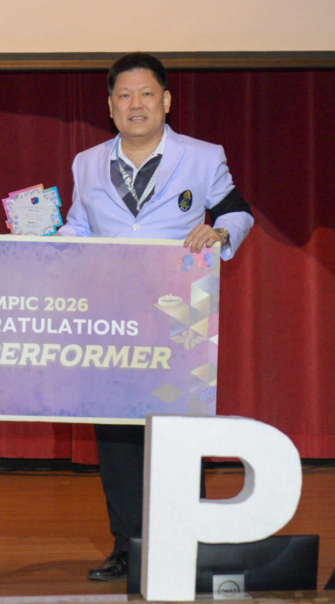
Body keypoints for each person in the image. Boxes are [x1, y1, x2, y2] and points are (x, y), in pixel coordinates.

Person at [58, 52, 255, 581]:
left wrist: (221, 231)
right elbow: (79, 227)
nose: (136, 104)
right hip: (108, 318)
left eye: (146, 93)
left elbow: (237, 210)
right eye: (124, 95)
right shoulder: (87, 162)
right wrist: (47, 243)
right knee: (116, 436)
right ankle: (128, 546)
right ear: (110, 106)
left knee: (178, 431)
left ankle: (187, 541)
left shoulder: (202, 156)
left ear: (166, 101)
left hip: (177, 317)